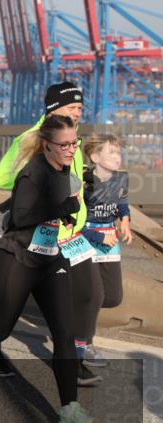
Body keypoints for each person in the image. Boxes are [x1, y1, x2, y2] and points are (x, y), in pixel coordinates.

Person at [0, 115, 98, 423]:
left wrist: (78, 206)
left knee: (64, 332)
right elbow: (20, 216)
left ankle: (69, 410)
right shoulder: (33, 173)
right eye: (65, 144)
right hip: (16, 258)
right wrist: (61, 210)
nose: (72, 149)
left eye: (75, 143)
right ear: (47, 145)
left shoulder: (64, 172)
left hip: (49, 259)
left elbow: (67, 208)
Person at [0, 81, 101, 386]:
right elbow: (1, 177)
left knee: (87, 295)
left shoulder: (71, 137)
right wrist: (36, 176)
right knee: (11, 310)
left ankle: (73, 361)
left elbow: (71, 179)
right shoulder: (33, 138)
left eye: (80, 107)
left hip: (71, 232)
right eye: (72, 107)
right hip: (42, 234)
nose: (78, 112)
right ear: (54, 108)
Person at [79, 134, 132, 367]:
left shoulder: (121, 179)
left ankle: (76, 314)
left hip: (110, 239)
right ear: (94, 157)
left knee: (112, 296)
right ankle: (84, 343)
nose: (117, 157)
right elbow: (73, 222)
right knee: (94, 295)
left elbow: (122, 201)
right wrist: (98, 235)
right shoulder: (83, 182)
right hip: (86, 238)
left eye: (118, 153)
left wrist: (125, 220)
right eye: (111, 152)